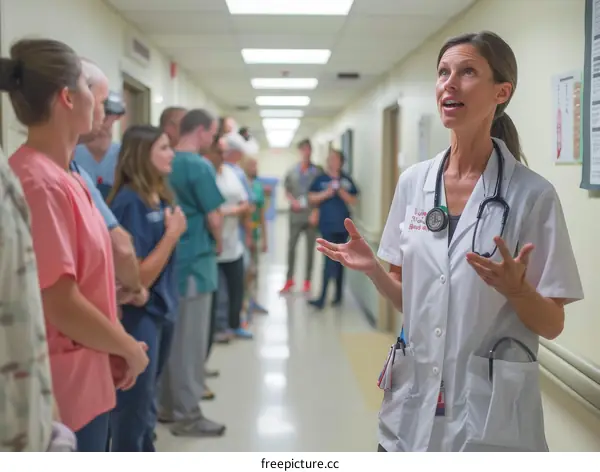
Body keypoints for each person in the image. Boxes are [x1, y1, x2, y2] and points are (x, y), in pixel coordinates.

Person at [316, 31, 584, 452]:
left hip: (489, 421)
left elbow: (552, 324)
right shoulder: (414, 183)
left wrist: (517, 290)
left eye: (467, 72)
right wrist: (372, 271)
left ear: (502, 91)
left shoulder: (532, 196)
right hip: (410, 407)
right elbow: (414, 302)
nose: (449, 83)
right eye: (443, 72)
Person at [5, 38, 149, 452]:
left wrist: (112, 347)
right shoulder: (35, 181)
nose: (101, 108)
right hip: (60, 393)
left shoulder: (67, 177)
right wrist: (127, 347)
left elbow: (88, 286)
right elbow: (60, 302)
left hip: (87, 375)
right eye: (91, 91)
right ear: (68, 97)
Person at [107, 125, 185, 452]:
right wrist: (171, 235)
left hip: (161, 311)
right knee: (134, 409)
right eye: (164, 148)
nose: (172, 154)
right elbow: (137, 278)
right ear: (143, 155)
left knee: (147, 405)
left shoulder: (160, 199)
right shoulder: (130, 202)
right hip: (138, 317)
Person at [158, 108, 226, 438]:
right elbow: (214, 216)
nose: (211, 141)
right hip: (196, 266)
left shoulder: (165, 160)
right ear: (199, 131)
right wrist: (220, 241)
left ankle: (168, 406)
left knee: (173, 340)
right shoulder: (199, 165)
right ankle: (188, 414)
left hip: (169, 261)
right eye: (211, 135)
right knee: (191, 344)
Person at [308, 149, 358, 309]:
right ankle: (322, 297)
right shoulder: (321, 179)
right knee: (328, 261)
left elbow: (354, 199)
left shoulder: (346, 180)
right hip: (327, 225)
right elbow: (311, 197)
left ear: (341, 162)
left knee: (341, 261)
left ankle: (337, 296)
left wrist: (341, 192)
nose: (332, 161)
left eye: (335, 159)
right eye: (330, 158)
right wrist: (327, 193)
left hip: (343, 226)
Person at [281, 139, 320, 294]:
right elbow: (287, 190)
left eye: (308, 149)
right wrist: (293, 201)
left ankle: (307, 281)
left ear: (311, 151)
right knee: (291, 247)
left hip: (311, 215)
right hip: (295, 215)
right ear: (300, 151)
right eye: (303, 149)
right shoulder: (292, 171)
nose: (306, 152)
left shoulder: (317, 171)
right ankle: (289, 280)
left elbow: (320, 193)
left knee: (310, 249)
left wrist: (316, 212)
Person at [73, 90, 125, 199]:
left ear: (117, 117)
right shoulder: (72, 152)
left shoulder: (124, 154)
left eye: (108, 115)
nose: (103, 120)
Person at [243, 156, 269, 316]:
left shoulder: (258, 186)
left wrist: (265, 238)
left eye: (256, 164)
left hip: (255, 232)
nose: (255, 167)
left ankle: (253, 301)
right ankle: (243, 304)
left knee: (255, 270)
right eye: (252, 164)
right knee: (245, 270)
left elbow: (261, 214)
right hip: (242, 235)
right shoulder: (241, 184)